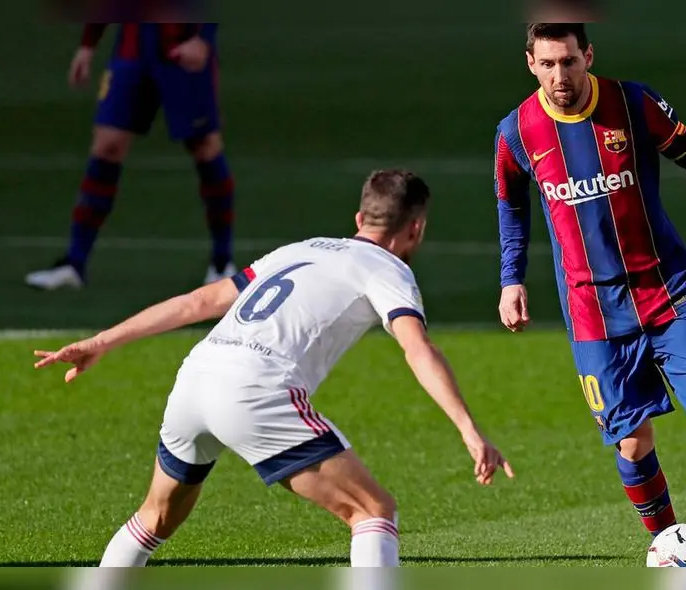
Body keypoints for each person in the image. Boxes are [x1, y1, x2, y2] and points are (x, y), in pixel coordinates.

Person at [34, 169, 513, 570]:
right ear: (417, 229)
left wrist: (103, 341)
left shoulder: (298, 249)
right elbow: (417, 348)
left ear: (359, 218)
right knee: (373, 512)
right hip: (255, 388)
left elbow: (199, 301)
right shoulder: (389, 270)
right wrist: (469, 430)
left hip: (196, 376)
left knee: (154, 519)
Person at [492, 23, 686, 567]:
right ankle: (672, 548)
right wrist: (512, 279)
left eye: (570, 61)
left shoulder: (633, 103)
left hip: (666, 289)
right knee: (632, 445)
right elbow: (511, 206)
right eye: (549, 63)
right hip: (592, 313)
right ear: (530, 63)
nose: (561, 75)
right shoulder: (516, 133)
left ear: (589, 57)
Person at [25, 21, 236, 290]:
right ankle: (74, 264)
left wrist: (202, 38)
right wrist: (88, 44)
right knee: (107, 145)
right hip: (133, 45)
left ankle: (221, 263)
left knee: (204, 146)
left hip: (181, 38)